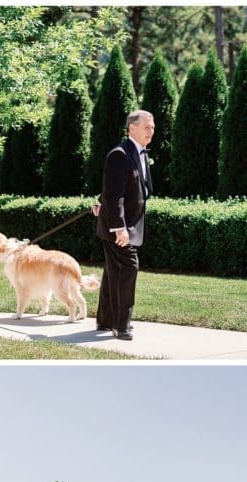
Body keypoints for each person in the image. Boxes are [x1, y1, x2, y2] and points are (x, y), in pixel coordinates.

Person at [95, 110, 155, 341]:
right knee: (127, 269)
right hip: (120, 229)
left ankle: (105, 319)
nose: (151, 131)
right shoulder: (119, 154)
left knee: (113, 272)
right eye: (147, 127)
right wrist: (119, 227)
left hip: (126, 225)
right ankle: (121, 326)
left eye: (152, 127)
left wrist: (100, 203)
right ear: (132, 128)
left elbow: (114, 189)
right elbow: (115, 195)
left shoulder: (138, 153)